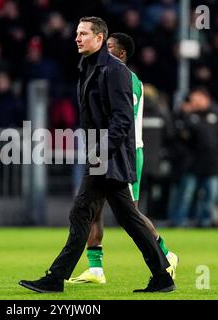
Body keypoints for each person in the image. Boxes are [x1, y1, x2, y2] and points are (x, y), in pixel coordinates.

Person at [19, 17, 175, 293]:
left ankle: (55, 278)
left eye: (83, 34)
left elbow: (122, 118)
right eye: (77, 33)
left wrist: (101, 151)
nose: (77, 38)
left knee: (83, 212)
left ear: (100, 38)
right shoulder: (90, 67)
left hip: (109, 156)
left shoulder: (114, 71)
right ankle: (162, 275)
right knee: (127, 218)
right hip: (103, 154)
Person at [67, 33, 178, 285]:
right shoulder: (106, 73)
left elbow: (121, 118)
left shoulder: (125, 77)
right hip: (106, 149)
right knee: (92, 209)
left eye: (109, 47)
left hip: (124, 152)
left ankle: (165, 254)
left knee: (130, 214)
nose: (104, 51)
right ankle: (95, 268)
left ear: (122, 53)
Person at [169, 87, 218, 227]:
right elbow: (177, 136)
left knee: (211, 196)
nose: (195, 102)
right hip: (192, 164)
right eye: (193, 100)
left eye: (197, 99)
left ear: (206, 99)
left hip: (213, 163)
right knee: (186, 195)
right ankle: (179, 221)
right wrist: (183, 114)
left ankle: (205, 222)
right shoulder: (188, 116)